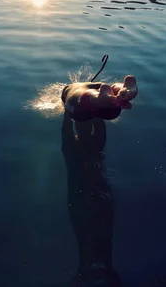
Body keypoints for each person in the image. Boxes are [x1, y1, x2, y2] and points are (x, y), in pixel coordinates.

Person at [61, 112, 122, 287]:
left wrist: (68, 111)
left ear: (77, 127)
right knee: (104, 239)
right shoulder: (97, 145)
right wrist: (96, 110)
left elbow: (65, 130)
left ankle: (84, 270)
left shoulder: (69, 149)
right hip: (98, 194)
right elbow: (101, 128)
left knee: (84, 238)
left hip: (79, 197)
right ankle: (104, 270)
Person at [61, 75, 137, 122]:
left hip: (78, 108)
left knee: (91, 94)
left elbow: (66, 127)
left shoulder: (69, 87)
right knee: (111, 88)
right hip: (111, 112)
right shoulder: (97, 84)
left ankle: (102, 98)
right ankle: (123, 89)